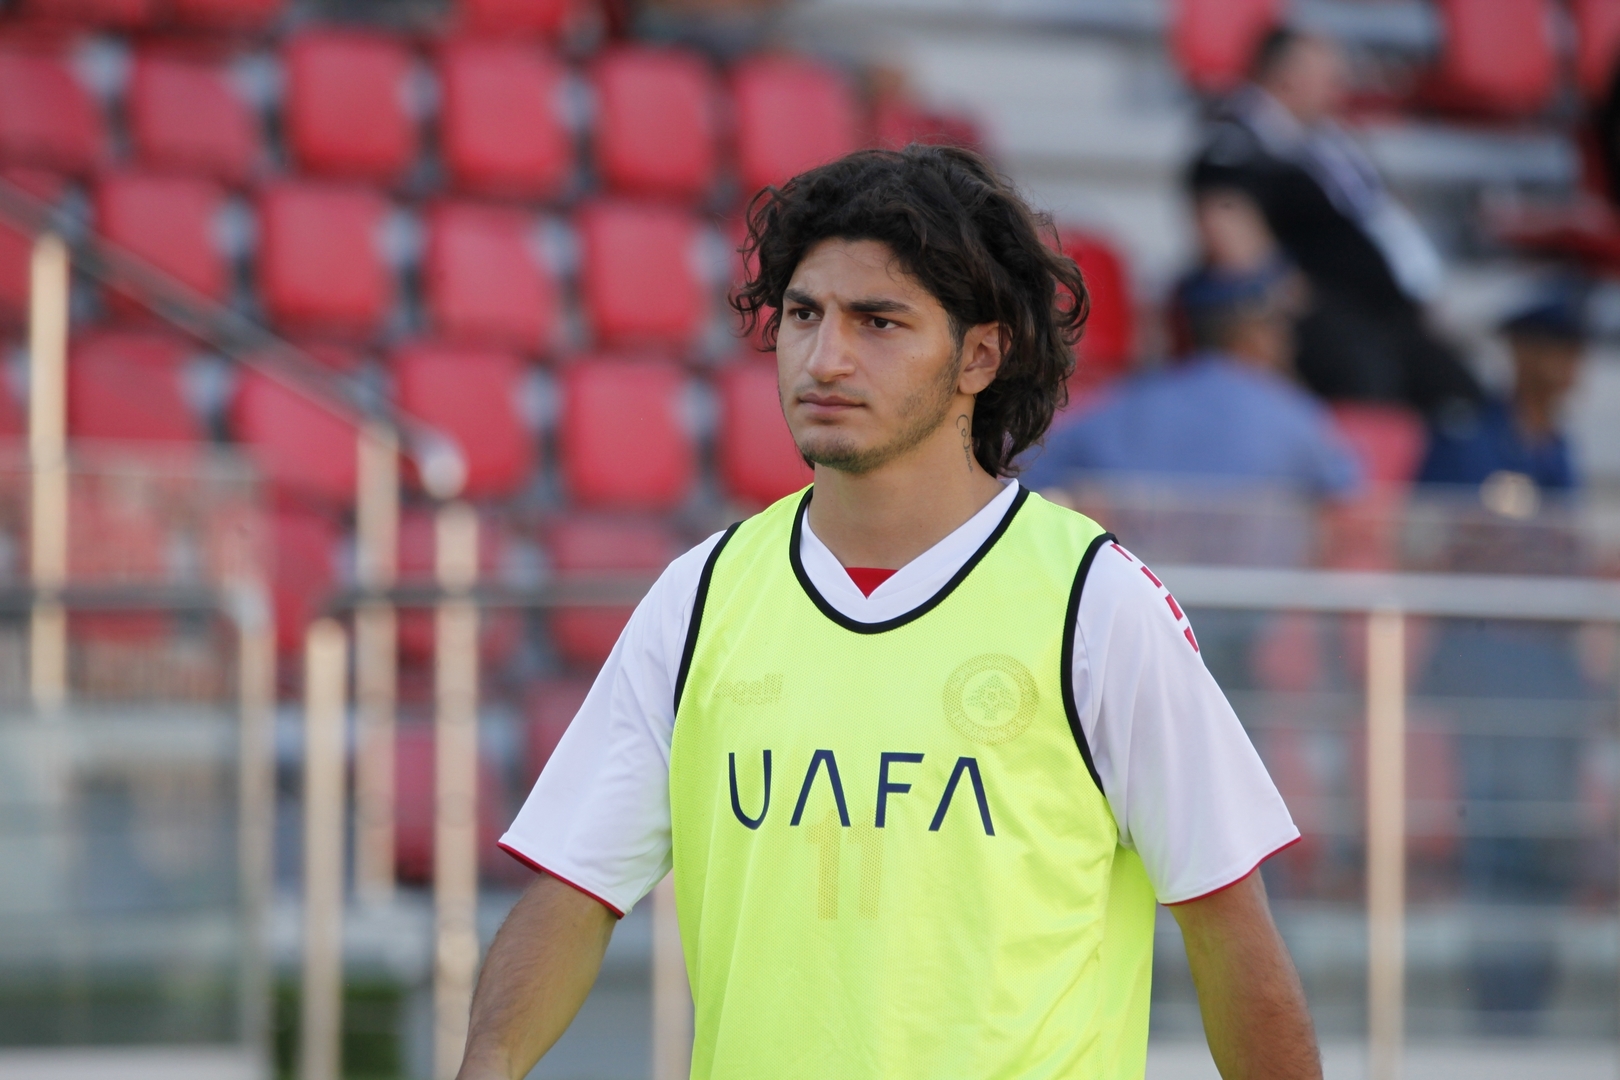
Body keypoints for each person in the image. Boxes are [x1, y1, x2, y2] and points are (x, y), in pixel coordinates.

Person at [460, 146, 1320, 1080]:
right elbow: (574, 891)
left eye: (878, 321)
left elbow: (1229, 931)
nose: (826, 358)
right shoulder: (702, 595)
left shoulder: (1097, 602)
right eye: (804, 315)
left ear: (980, 354)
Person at [1190, 27, 1482, 417]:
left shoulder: (1328, 146)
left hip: (1385, 318)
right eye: (1328, 76)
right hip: (1321, 318)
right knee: (1369, 393)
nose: (1339, 87)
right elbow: (1224, 214)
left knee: (1463, 399)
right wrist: (1277, 290)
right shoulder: (1238, 141)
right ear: (1286, 77)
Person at [1418, 290, 1585, 494]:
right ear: (1522, 350)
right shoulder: (1468, 434)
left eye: (1576, 353)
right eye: (1560, 351)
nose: (1572, 364)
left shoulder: (1558, 446)